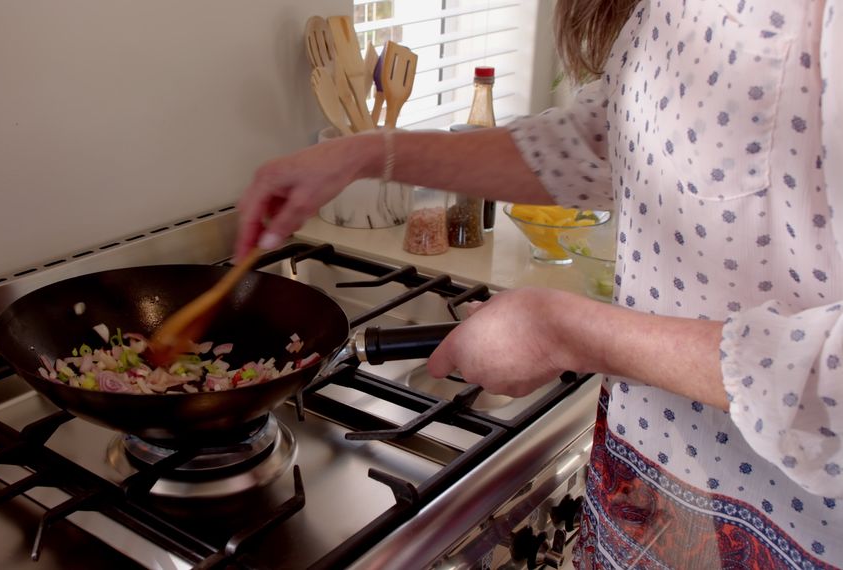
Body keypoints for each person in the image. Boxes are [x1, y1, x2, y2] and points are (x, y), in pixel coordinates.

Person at [235, 0, 841, 567]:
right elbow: (597, 145)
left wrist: (568, 334)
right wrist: (369, 154)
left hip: (795, 529)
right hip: (649, 481)